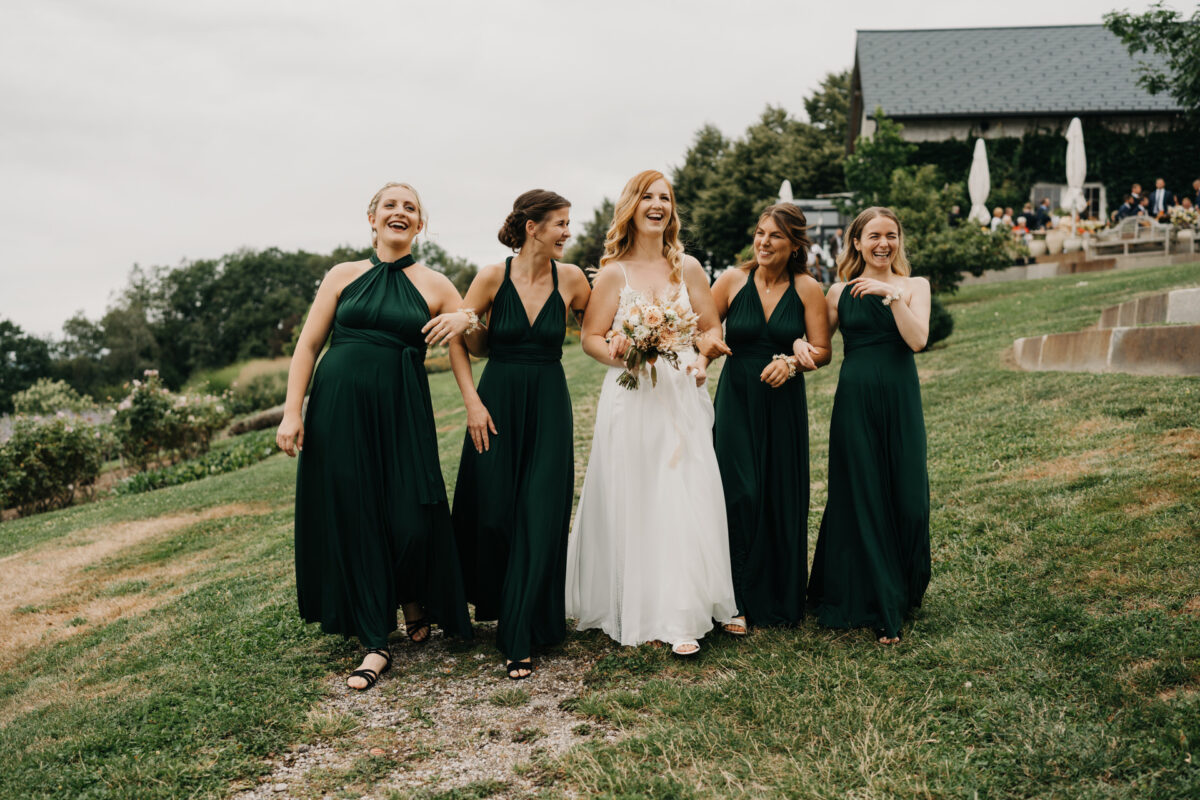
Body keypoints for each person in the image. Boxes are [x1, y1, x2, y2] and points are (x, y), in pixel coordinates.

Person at [277, 182, 474, 691]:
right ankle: (374, 641)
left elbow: (472, 340)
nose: (400, 212)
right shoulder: (342, 275)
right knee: (357, 513)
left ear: (419, 224)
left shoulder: (435, 283)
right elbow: (308, 344)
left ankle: (412, 594)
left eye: (410, 207)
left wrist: (464, 315)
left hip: (403, 411)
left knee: (411, 515)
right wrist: (291, 413)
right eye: (391, 205)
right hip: (338, 410)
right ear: (372, 218)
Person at [566, 169, 737, 658]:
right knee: (640, 495)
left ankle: (684, 610)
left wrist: (702, 358)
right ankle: (642, 604)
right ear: (632, 208)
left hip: (682, 392)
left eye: (665, 198)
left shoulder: (690, 267)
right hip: (633, 394)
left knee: (684, 492)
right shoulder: (613, 271)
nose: (658, 205)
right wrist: (628, 354)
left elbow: (708, 330)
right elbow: (590, 338)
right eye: (648, 197)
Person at [451, 190, 591, 680]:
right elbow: (462, 338)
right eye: (560, 224)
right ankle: (494, 601)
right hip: (497, 402)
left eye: (568, 223)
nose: (568, 233)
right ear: (532, 227)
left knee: (541, 510)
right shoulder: (492, 276)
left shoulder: (572, 279)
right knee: (492, 513)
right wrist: (472, 402)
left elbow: (602, 329)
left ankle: (521, 634)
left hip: (550, 403)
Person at [806, 206, 931, 645]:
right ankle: (878, 602)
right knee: (862, 493)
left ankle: (905, 586)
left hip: (900, 401)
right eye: (874, 236)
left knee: (909, 497)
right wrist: (795, 350)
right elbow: (819, 344)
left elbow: (917, 340)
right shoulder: (839, 292)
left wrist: (890, 294)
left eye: (891, 235)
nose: (883, 243)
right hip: (855, 402)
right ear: (856, 242)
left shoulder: (916, 286)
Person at [707, 204, 831, 634]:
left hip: (783, 404)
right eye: (760, 233)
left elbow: (823, 350)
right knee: (736, 493)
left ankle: (778, 600)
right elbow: (703, 330)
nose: (763, 242)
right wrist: (707, 348)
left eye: (775, 236)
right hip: (736, 398)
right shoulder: (730, 281)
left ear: (794, 243)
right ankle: (734, 602)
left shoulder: (808, 288)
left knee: (779, 493)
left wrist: (795, 362)